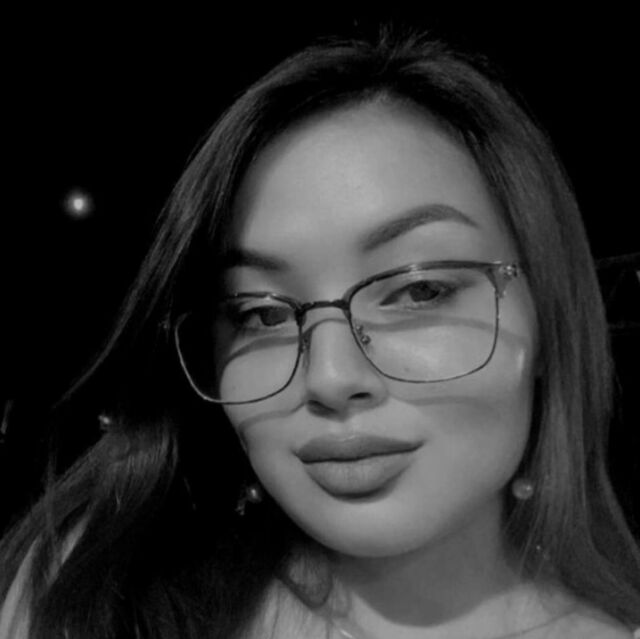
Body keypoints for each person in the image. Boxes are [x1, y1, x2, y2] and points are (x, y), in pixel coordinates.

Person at [1, 28, 639, 639]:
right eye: (261, 314)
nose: (330, 378)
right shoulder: (99, 596)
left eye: (419, 289)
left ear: (547, 312)